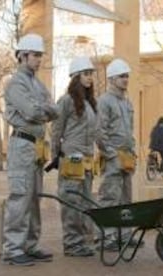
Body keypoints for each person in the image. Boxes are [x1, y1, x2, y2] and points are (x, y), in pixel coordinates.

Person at [2, 33, 59, 266]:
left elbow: (54, 109)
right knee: (20, 197)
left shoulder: (37, 83)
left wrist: (43, 108)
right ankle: (13, 248)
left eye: (40, 56)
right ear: (22, 55)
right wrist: (44, 109)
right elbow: (32, 112)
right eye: (35, 55)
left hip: (36, 147)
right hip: (22, 144)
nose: (39, 60)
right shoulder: (15, 82)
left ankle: (29, 245)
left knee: (34, 198)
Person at [50, 56, 97, 257]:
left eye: (91, 74)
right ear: (76, 77)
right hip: (71, 158)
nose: (90, 78)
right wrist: (55, 156)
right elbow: (56, 130)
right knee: (71, 202)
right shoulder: (66, 101)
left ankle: (83, 241)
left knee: (85, 201)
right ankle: (71, 243)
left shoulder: (89, 103)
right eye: (86, 74)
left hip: (86, 160)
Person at [95, 58, 141, 250]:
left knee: (125, 198)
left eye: (127, 76)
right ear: (112, 79)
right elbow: (100, 131)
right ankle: (107, 237)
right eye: (122, 76)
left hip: (126, 157)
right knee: (109, 198)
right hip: (113, 157)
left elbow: (129, 130)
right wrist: (111, 154)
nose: (126, 79)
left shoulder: (126, 102)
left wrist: (132, 151)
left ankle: (125, 235)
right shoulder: (104, 101)